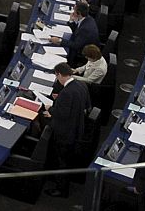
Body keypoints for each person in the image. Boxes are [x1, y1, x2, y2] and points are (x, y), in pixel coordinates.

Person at [43, 63, 91, 197]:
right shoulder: (81, 85)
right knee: (65, 160)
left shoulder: (66, 93)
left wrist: (50, 108)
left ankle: (61, 189)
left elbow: (62, 115)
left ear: (58, 74)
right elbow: (87, 105)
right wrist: (60, 101)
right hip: (77, 129)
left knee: (62, 161)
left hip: (65, 134)